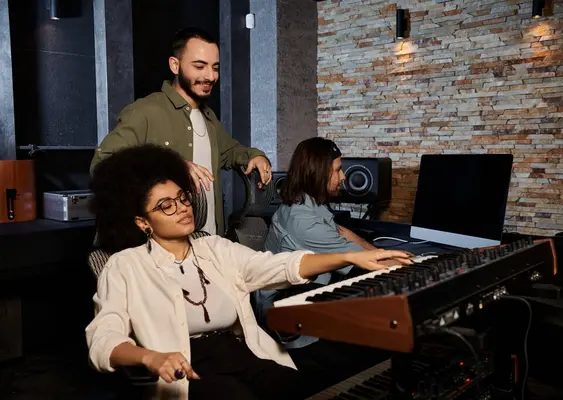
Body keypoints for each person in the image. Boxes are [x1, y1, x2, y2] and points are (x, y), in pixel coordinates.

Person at [85, 144, 413, 400]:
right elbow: (104, 338)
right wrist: (148, 358)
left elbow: (278, 265)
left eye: (183, 198)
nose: (183, 208)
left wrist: (349, 258)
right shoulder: (124, 266)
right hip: (191, 369)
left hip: (240, 352)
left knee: (299, 388)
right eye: (165, 205)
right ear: (142, 221)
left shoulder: (213, 248)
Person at [254, 137, 412, 383]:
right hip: (287, 316)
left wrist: (386, 253)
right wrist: (423, 265)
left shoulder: (310, 205)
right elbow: (370, 262)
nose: (344, 178)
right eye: (338, 170)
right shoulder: (303, 222)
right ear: (318, 173)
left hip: (310, 293)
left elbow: (342, 232)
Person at [90, 27, 271, 236]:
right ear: (175, 65)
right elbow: (102, 165)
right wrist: (170, 166)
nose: (210, 76)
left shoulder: (208, 116)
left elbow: (229, 151)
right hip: (160, 252)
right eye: (199, 66)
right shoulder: (145, 111)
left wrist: (254, 155)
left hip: (209, 244)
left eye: (215, 67)